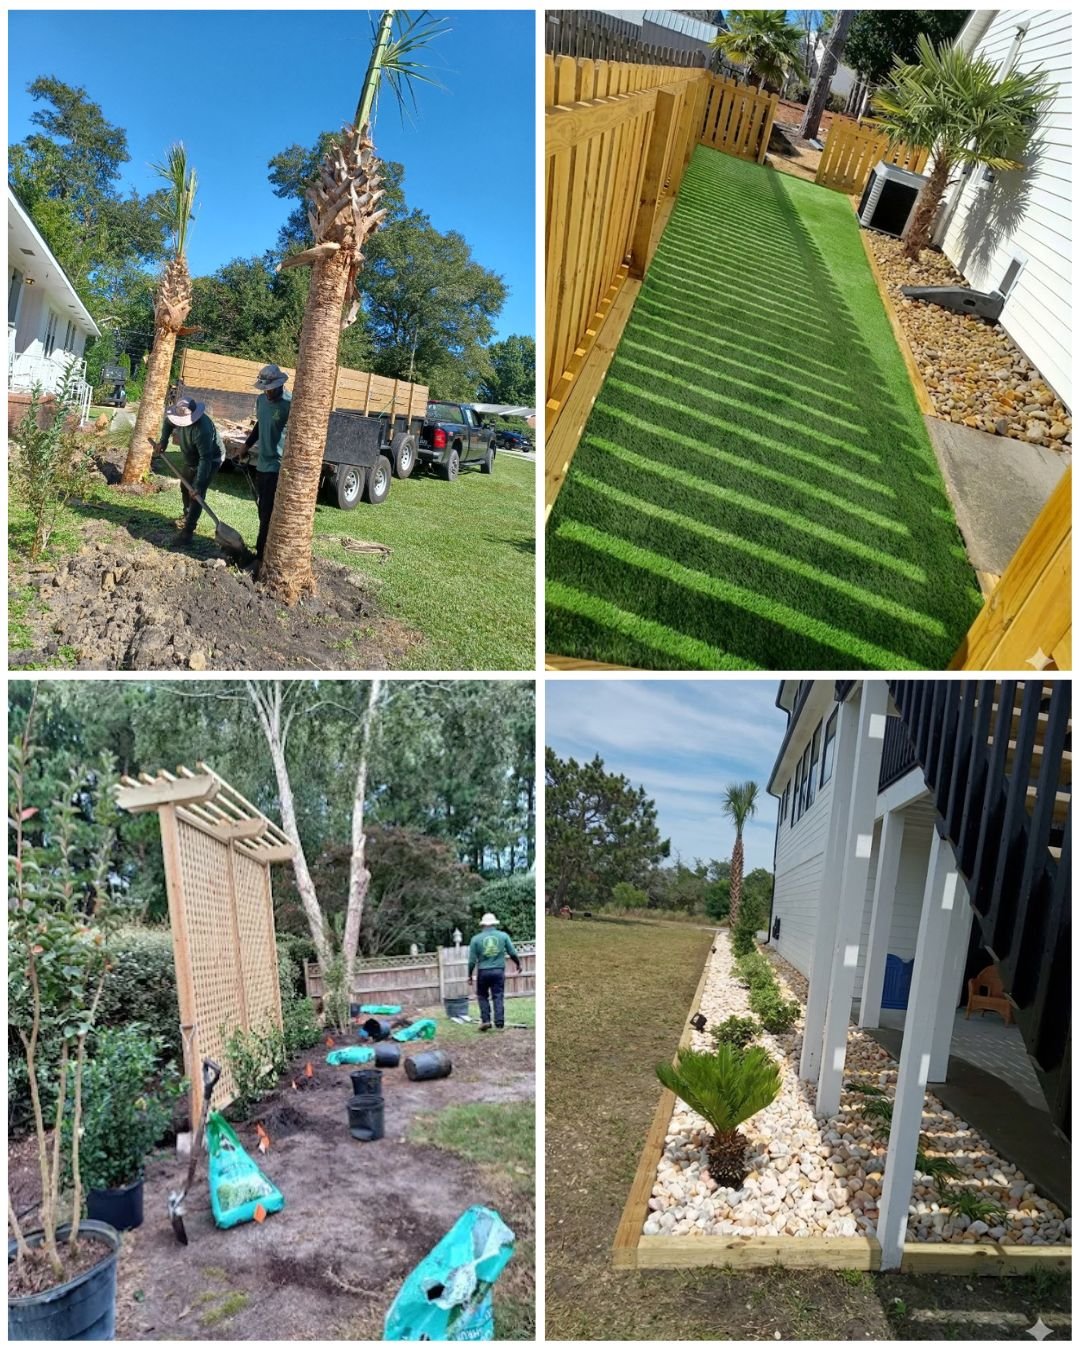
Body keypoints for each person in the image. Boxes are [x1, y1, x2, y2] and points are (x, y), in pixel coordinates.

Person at [154, 398, 225, 547]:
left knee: (196, 494)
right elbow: (168, 423)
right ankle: (187, 515)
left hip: (211, 459)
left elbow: (205, 459)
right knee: (184, 487)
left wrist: (198, 485)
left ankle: (188, 532)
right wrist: (164, 441)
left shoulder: (203, 429)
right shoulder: (178, 416)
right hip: (192, 458)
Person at [243, 364, 291, 573]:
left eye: (271, 388)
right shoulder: (261, 400)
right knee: (263, 510)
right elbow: (259, 425)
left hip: (278, 465)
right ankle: (264, 551)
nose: (268, 392)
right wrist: (246, 445)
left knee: (267, 512)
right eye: (265, 388)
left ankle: (261, 558)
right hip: (262, 464)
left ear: (280, 385)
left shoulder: (290, 404)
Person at [467, 913, 522, 1032]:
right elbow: (512, 952)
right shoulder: (503, 936)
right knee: (498, 995)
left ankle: (486, 1020)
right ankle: (499, 1022)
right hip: (498, 971)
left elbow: (472, 961)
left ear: (482, 925)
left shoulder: (475, 939)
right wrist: (518, 964)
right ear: (494, 924)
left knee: (482, 996)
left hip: (483, 971)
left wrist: (469, 975)